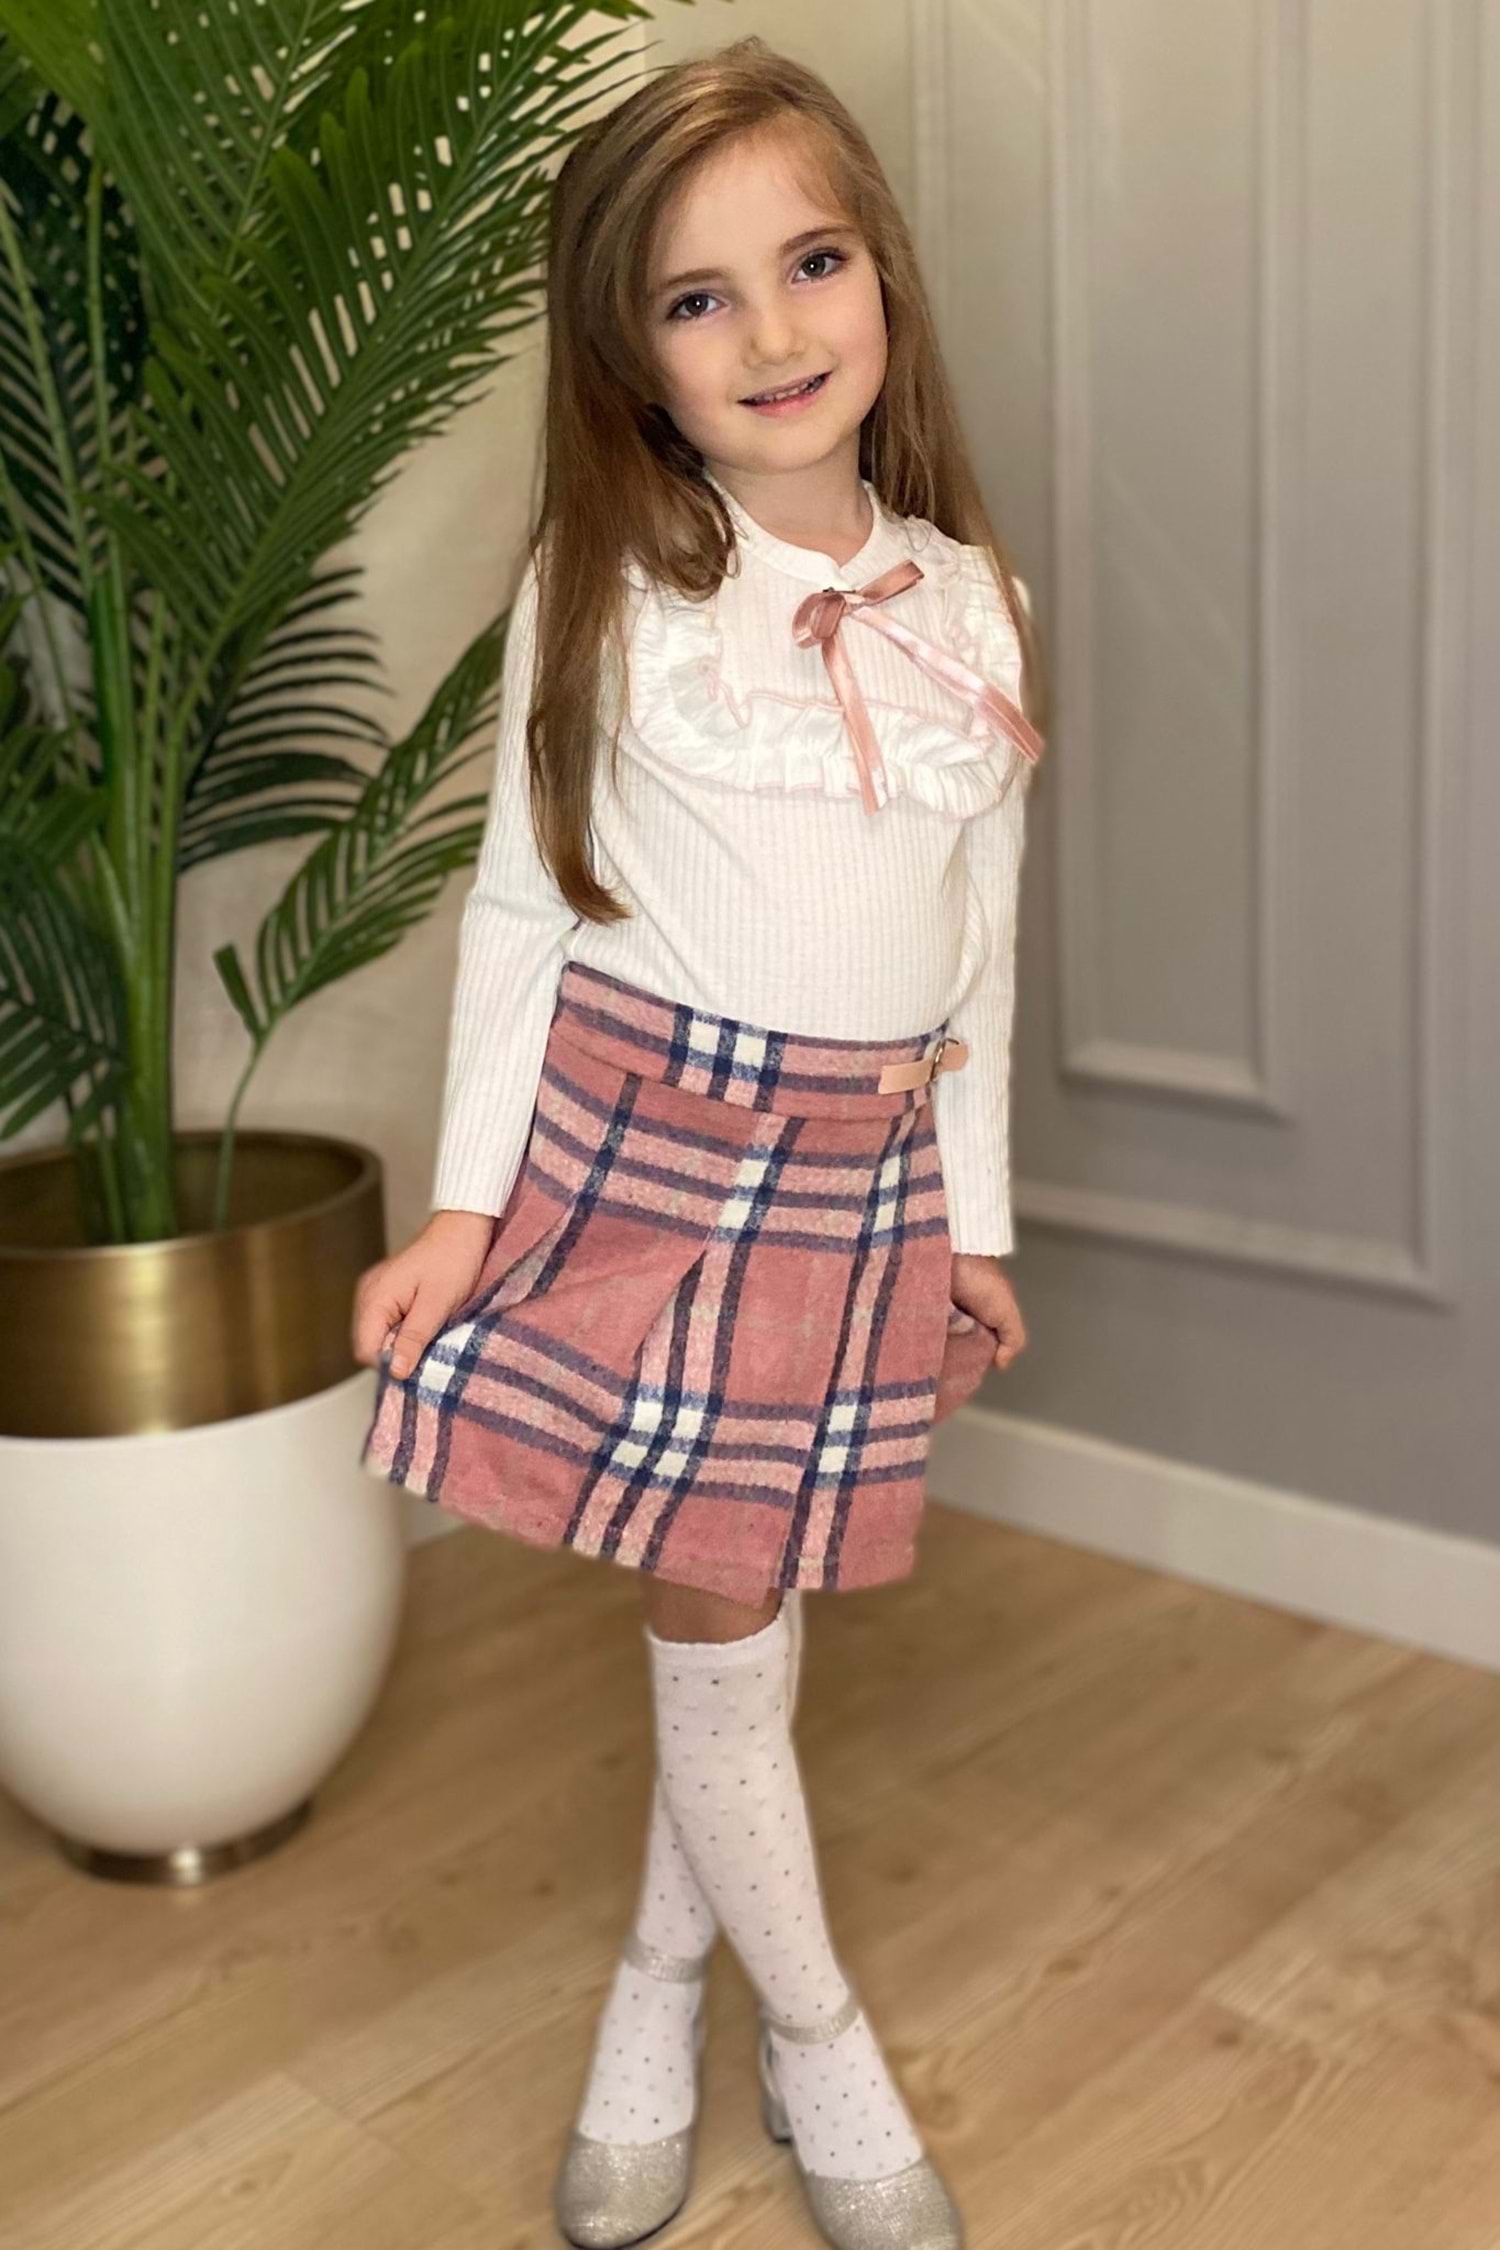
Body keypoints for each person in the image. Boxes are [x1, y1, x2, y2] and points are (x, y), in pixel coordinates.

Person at [351, 33, 1045, 2250]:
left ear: (884, 274)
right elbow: (523, 906)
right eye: (696, 295)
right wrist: (465, 1212)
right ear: (626, 352)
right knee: (720, 1612)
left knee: (740, 1605)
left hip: (862, 1179)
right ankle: (820, 2040)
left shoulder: (975, 606)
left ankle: (656, 1985)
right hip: (651, 1153)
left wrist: (971, 1221)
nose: (773, 332)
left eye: (812, 262)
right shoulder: (613, 576)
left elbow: (981, 953)